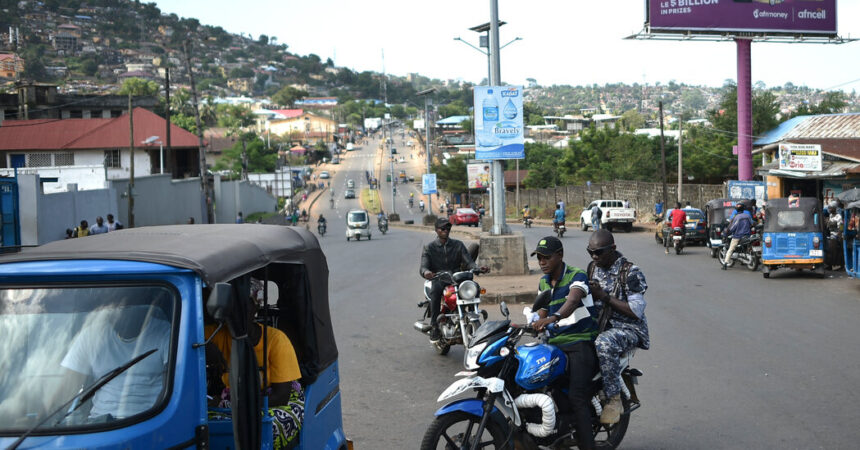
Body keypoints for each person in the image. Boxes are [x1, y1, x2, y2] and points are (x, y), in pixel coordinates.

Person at [206, 278, 304, 449]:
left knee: (261, 429)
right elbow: (186, 340)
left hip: (272, 400)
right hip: (229, 401)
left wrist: (229, 404)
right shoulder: (216, 334)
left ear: (255, 307)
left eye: (245, 304)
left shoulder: (276, 340)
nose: (238, 311)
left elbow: (281, 396)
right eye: (233, 306)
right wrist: (208, 348)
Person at [530, 236, 600, 449]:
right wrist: (532, 322)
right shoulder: (543, 281)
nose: (542, 262)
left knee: (578, 397)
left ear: (560, 256)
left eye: (547, 258)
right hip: (555, 345)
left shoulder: (576, 275)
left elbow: (573, 300)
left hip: (580, 342)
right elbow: (540, 312)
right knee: (547, 388)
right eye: (539, 258)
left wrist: (554, 318)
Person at [60, 301, 171, 420]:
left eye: (127, 307)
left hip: (148, 421)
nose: (120, 312)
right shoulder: (91, 335)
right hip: (99, 423)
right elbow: (66, 389)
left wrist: (153, 421)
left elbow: (171, 390)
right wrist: (44, 420)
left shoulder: (167, 333)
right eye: (115, 306)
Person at [586, 229, 649, 425]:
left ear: (612, 249)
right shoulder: (592, 267)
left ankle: (614, 399)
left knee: (604, 343)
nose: (595, 257)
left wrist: (604, 297)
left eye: (599, 252)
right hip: (600, 325)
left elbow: (635, 310)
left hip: (628, 329)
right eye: (591, 252)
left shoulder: (630, 272)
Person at [419, 217, 488, 342]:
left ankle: (473, 313)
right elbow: (423, 266)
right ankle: (434, 325)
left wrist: (477, 268)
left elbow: (469, 262)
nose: (446, 230)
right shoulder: (429, 247)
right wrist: (427, 272)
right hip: (440, 277)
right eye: (443, 228)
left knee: (475, 287)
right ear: (436, 230)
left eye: (448, 228)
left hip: (457, 277)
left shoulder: (458, 245)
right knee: (435, 291)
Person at [723, 202, 753, 270]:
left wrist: (727, 232)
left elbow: (733, 227)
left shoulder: (736, 217)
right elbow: (752, 224)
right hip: (747, 235)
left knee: (730, 249)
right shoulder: (747, 216)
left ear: (736, 209)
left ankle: (725, 264)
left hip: (738, 236)